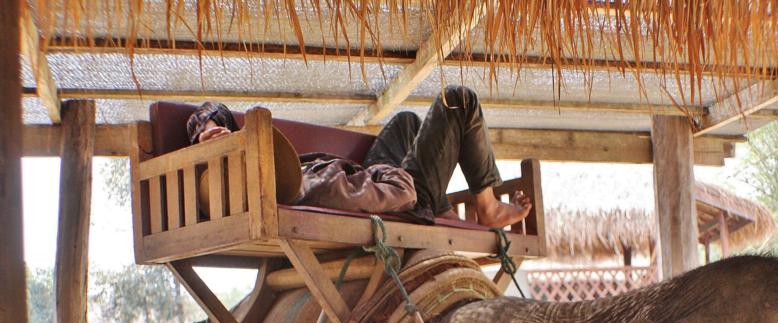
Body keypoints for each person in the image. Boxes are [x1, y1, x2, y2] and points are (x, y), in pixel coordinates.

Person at [187, 86, 531, 228]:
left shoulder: (293, 178)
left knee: (407, 122)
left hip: (372, 179)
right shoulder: (318, 188)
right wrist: (384, 172)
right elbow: (403, 191)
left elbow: (209, 109)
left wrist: (209, 125)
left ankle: (441, 207)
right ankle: (489, 207)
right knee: (458, 99)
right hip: (405, 198)